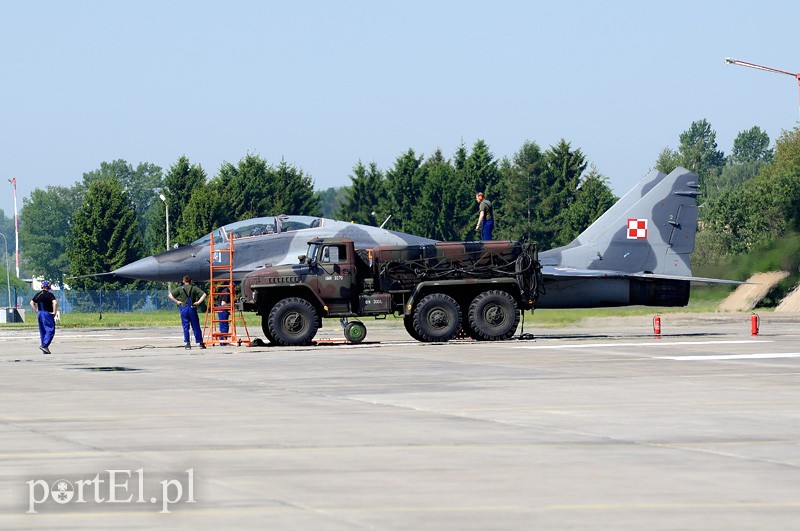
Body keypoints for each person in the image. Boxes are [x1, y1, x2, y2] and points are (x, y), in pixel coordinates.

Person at [168, 275, 207, 349]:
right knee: (196, 326)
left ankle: (188, 343)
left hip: (184, 308)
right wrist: (198, 302)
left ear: (183, 281)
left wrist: (177, 301)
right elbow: (204, 294)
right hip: (192, 308)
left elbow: (170, 295)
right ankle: (200, 343)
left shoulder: (180, 289)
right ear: (190, 281)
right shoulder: (194, 288)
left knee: (186, 327)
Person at [30, 280, 57, 354]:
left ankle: (44, 349)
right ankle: (45, 345)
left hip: (40, 313)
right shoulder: (50, 295)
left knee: (43, 331)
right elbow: (55, 303)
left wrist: (36, 310)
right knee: (50, 330)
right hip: (47, 313)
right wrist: (54, 312)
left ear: (42, 286)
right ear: (49, 286)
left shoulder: (38, 294)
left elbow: (31, 302)